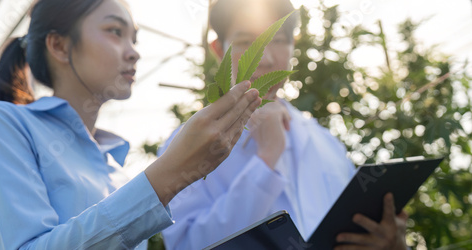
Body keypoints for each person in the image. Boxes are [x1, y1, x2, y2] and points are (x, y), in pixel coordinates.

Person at [0, 0, 262, 249]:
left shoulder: (115, 166)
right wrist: (172, 174)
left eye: (134, 38)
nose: (133, 51)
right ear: (59, 45)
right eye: (115, 32)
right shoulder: (0, 124)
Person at [158, 0, 409, 249]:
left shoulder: (327, 143)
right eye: (246, 43)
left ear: (293, 46)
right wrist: (266, 159)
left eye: (278, 41)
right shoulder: (185, 146)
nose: (264, 59)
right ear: (218, 50)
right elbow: (187, 244)